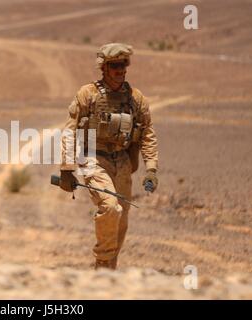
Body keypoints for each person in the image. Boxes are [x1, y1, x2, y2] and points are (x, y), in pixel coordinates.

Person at [59, 43, 159, 269]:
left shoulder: (136, 98)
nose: (120, 71)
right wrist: (67, 168)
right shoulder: (88, 94)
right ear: (104, 68)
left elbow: (148, 133)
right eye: (115, 66)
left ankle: (107, 276)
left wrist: (151, 168)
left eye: (124, 65)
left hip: (122, 162)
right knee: (111, 207)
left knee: (121, 222)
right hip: (94, 159)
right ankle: (102, 263)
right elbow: (70, 130)